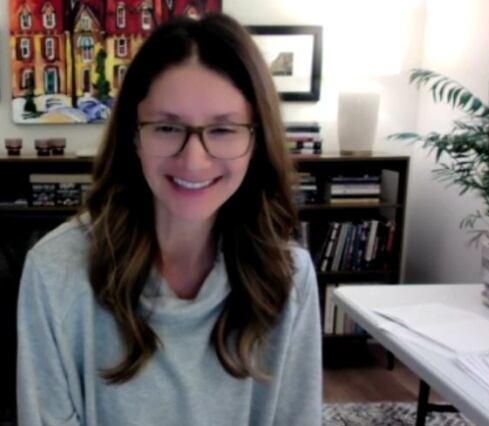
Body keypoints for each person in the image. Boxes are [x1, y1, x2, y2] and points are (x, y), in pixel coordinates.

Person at [16, 12, 322, 426]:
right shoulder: (55, 271)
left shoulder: (290, 275)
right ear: (133, 137)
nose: (194, 161)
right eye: (165, 127)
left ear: (257, 140)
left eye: (223, 130)